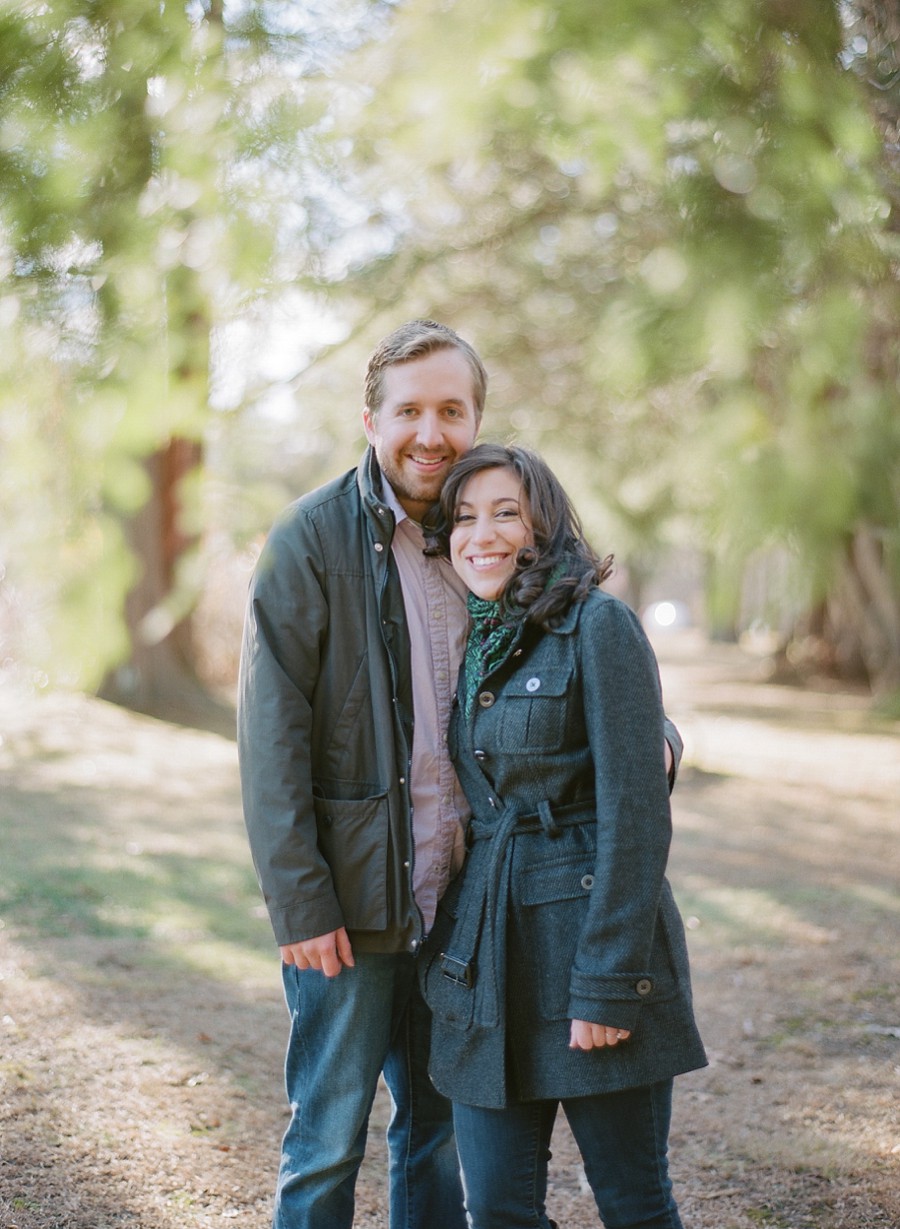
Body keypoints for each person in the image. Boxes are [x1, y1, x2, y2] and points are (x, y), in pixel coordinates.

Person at [238, 321, 682, 1229]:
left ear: (476, 416)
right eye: (409, 410)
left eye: (451, 409)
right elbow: (269, 738)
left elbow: (573, 662)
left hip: (469, 912)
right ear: (371, 420)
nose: (429, 432)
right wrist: (301, 899)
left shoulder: (481, 537)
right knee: (327, 1139)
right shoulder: (313, 542)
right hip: (353, 910)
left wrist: (656, 734)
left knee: (436, 1137)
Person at [420, 443, 707, 1229]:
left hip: (588, 947)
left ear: (544, 525)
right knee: (500, 1211)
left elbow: (637, 819)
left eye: (506, 512)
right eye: (463, 517)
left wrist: (608, 981)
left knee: (634, 1204)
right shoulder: (466, 644)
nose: (482, 534)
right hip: (490, 956)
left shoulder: (598, 625)